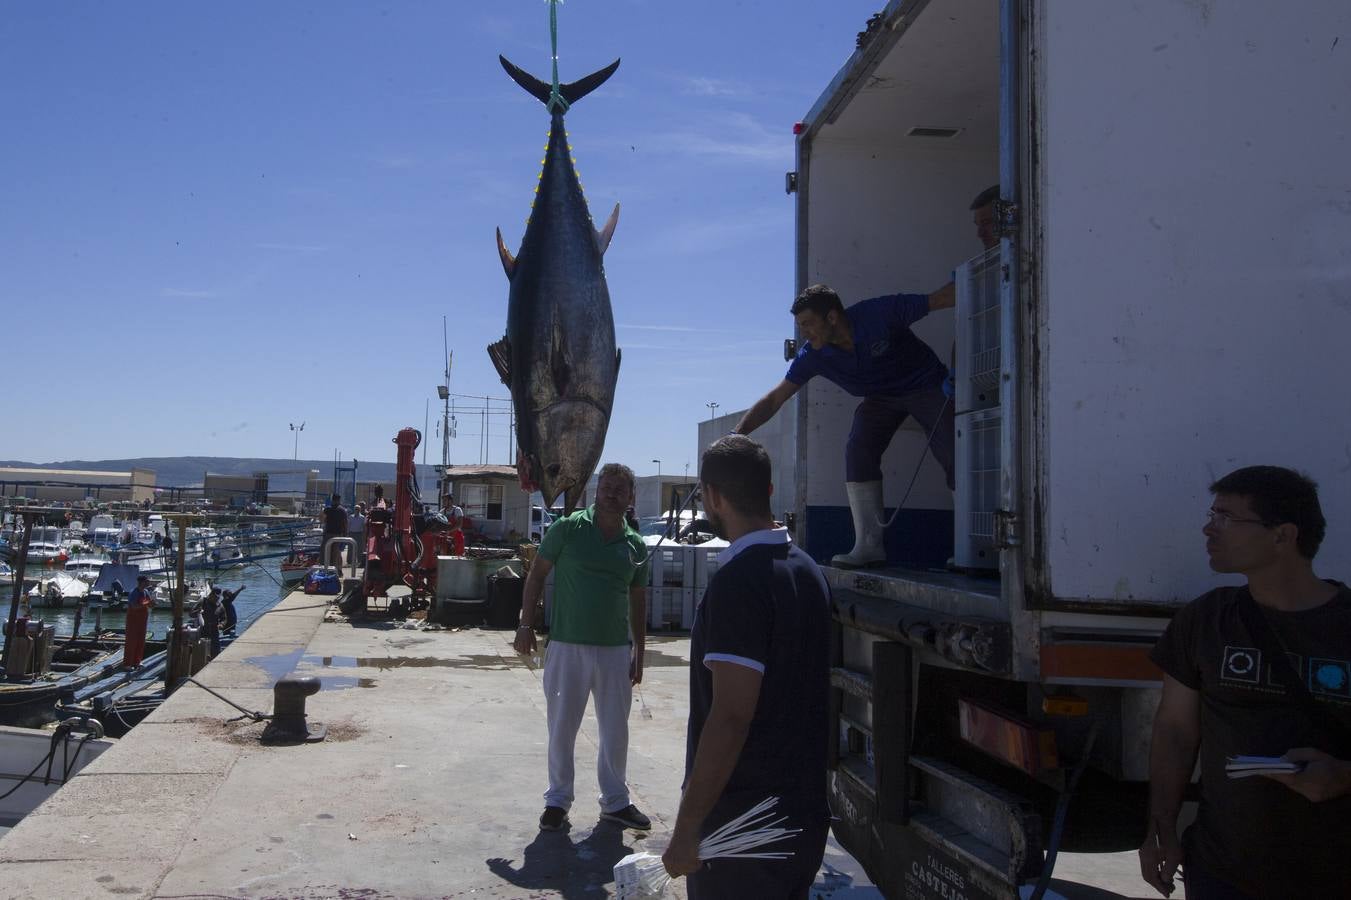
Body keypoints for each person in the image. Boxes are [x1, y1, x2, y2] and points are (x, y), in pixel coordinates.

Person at [1139, 466, 1351, 899]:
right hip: (1226, 871)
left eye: (1226, 518)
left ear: (1282, 535)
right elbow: (1176, 732)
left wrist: (1345, 776)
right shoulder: (1206, 619)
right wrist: (1161, 828)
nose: (1207, 528)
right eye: (1211, 514)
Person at [662, 436, 832, 897]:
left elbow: (732, 716)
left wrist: (687, 827)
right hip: (797, 819)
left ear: (714, 496)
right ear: (769, 490)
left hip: (742, 829)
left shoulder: (740, 581)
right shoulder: (806, 569)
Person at [514, 463, 652, 833]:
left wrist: (639, 651)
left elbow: (638, 601)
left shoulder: (635, 546)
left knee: (615, 731)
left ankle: (616, 802)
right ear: (595, 491)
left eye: (620, 489)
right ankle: (557, 800)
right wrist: (525, 625)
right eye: (606, 487)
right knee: (561, 727)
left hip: (614, 652)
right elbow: (537, 574)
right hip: (566, 647)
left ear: (631, 498)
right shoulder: (567, 529)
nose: (611, 494)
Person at [124, 574, 154, 668]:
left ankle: (137, 661)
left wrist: (152, 603)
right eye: (146, 581)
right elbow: (134, 606)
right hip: (133, 620)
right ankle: (127, 664)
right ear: (141, 582)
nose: (148, 583)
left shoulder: (146, 592)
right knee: (131, 641)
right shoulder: (134, 592)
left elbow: (149, 604)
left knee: (141, 641)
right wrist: (146, 604)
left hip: (142, 620)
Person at [321, 493, 348, 567]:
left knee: (326, 552)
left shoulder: (328, 509)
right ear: (339, 500)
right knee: (336, 553)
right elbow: (345, 523)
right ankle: (338, 569)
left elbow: (321, 519)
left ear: (332, 500)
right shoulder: (342, 510)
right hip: (337, 534)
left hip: (329, 534)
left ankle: (327, 568)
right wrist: (345, 534)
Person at [201, 588, 221, 658]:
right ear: (211, 595)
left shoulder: (220, 605)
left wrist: (221, 624)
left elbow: (224, 618)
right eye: (215, 597)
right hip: (203, 631)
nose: (217, 599)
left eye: (218, 597)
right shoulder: (203, 602)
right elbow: (191, 614)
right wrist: (197, 611)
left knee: (216, 652)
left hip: (215, 632)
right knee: (203, 651)